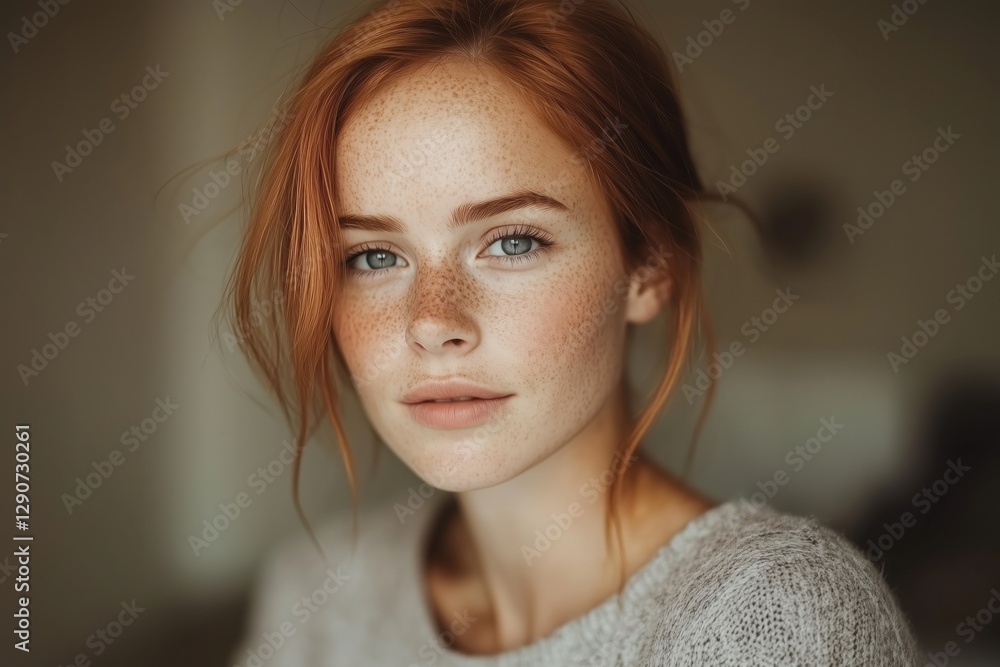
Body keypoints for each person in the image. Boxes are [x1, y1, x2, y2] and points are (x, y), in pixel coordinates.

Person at [223, 0, 920, 664]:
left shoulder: (769, 617)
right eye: (374, 256)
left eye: (514, 241)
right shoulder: (318, 593)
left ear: (648, 265)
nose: (433, 322)